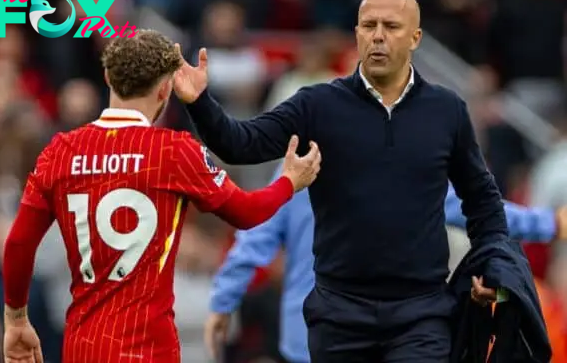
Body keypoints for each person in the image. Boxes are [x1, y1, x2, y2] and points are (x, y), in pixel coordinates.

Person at [173, 0, 519, 362]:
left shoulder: (447, 111)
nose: (379, 36)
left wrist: (494, 265)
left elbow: (481, 197)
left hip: (422, 313)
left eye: (392, 26)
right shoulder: (318, 105)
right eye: (369, 25)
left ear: (416, 37)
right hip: (340, 315)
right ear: (356, 34)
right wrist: (200, 102)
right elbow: (241, 144)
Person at [0, 29, 321, 363]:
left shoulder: (61, 151)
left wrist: (16, 320)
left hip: (85, 345)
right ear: (167, 88)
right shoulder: (174, 151)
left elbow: (19, 243)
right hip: (151, 348)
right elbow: (247, 212)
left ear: (108, 77)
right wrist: (288, 183)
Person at [205, 163, 567, 363]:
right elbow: (481, 211)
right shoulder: (409, 168)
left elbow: (254, 238)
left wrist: (223, 301)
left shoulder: (300, 169)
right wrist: (550, 223)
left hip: (309, 339)